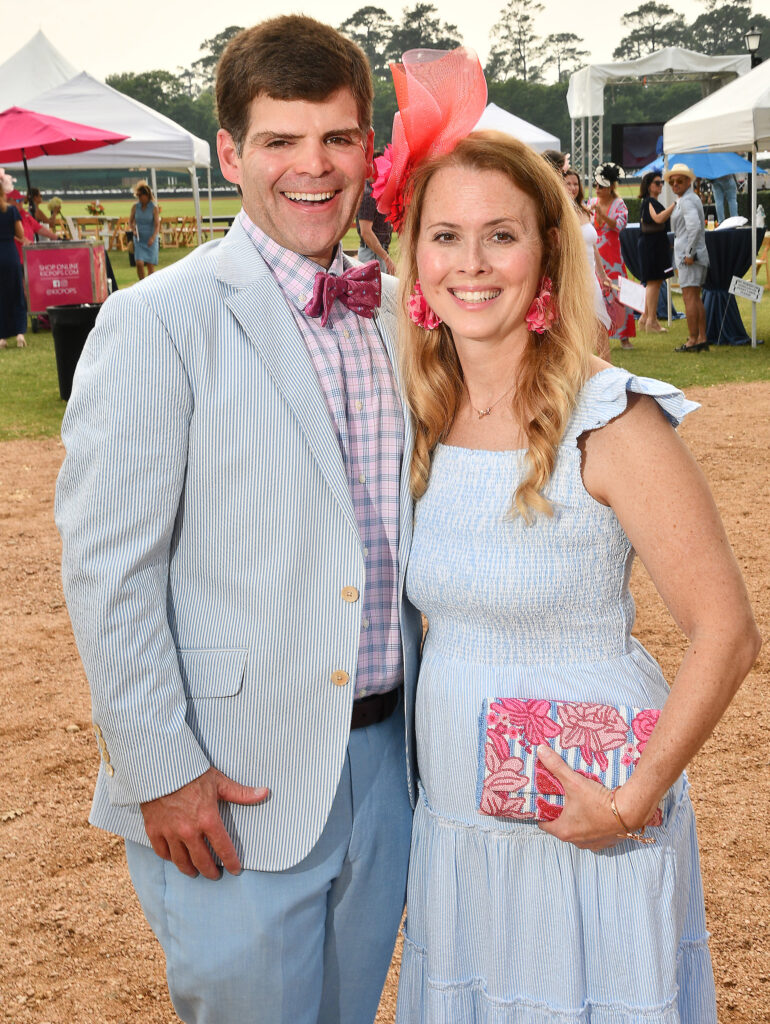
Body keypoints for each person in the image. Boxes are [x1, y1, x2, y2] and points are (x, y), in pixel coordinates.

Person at [55, 15, 424, 1024]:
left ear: (367, 148)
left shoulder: (402, 313)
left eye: (337, 138)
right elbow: (107, 571)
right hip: (226, 784)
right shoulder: (154, 322)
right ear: (229, 152)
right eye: (279, 139)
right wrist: (162, 771)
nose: (312, 167)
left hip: (390, 772)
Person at [373, 107, 760, 1019]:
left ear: (547, 255)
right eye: (447, 236)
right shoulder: (420, 414)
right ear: (418, 261)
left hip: (591, 809)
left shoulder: (611, 417)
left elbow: (728, 634)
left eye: (499, 236)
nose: (470, 263)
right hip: (463, 818)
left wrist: (630, 802)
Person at [562, 167, 611, 360]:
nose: (573, 187)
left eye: (576, 183)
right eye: (568, 183)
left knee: (600, 323)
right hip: (574, 276)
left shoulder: (584, 210)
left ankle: (608, 369)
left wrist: (603, 275)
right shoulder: (560, 213)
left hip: (591, 277)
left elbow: (594, 247)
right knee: (579, 327)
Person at [589, 162, 636, 349]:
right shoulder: (591, 203)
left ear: (610, 187)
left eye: (602, 186)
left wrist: (602, 214)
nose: (598, 189)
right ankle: (600, 335)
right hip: (596, 255)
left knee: (618, 294)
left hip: (613, 256)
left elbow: (618, 225)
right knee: (598, 295)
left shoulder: (619, 204)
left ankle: (624, 336)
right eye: (596, 186)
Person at [665, 163, 710, 352]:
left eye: (679, 181)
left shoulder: (686, 201)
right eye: (672, 181)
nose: (675, 184)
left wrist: (689, 253)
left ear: (688, 181)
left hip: (689, 257)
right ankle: (700, 338)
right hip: (692, 254)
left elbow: (695, 227)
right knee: (695, 297)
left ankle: (693, 340)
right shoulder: (690, 198)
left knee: (689, 298)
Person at [637, 171, 675, 333]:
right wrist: (675, 205)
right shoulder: (649, 202)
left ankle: (646, 317)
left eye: (661, 183)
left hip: (656, 245)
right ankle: (651, 320)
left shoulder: (651, 201)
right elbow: (658, 218)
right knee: (653, 282)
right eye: (657, 183)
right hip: (651, 246)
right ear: (649, 186)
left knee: (656, 282)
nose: (660, 186)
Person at [356, 155, 396, 273]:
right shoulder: (368, 195)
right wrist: (386, 257)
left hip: (375, 252)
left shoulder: (373, 191)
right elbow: (366, 232)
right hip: (373, 254)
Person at [0, 182, 27, 348]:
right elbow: (21, 234)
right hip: (10, 253)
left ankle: (2, 337)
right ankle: (19, 333)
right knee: (16, 293)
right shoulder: (11, 211)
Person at [128, 180, 160, 279]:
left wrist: (153, 237)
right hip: (139, 239)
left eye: (142, 196)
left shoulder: (154, 208)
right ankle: (141, 282)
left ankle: (150, 285)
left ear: (147, 196)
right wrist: (133, 230)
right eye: (139, 196)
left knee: (150, 265)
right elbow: (130, 221)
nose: (140, 198)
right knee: (139, 263)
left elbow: (157, 225)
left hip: (151, 239)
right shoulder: (135, 207)